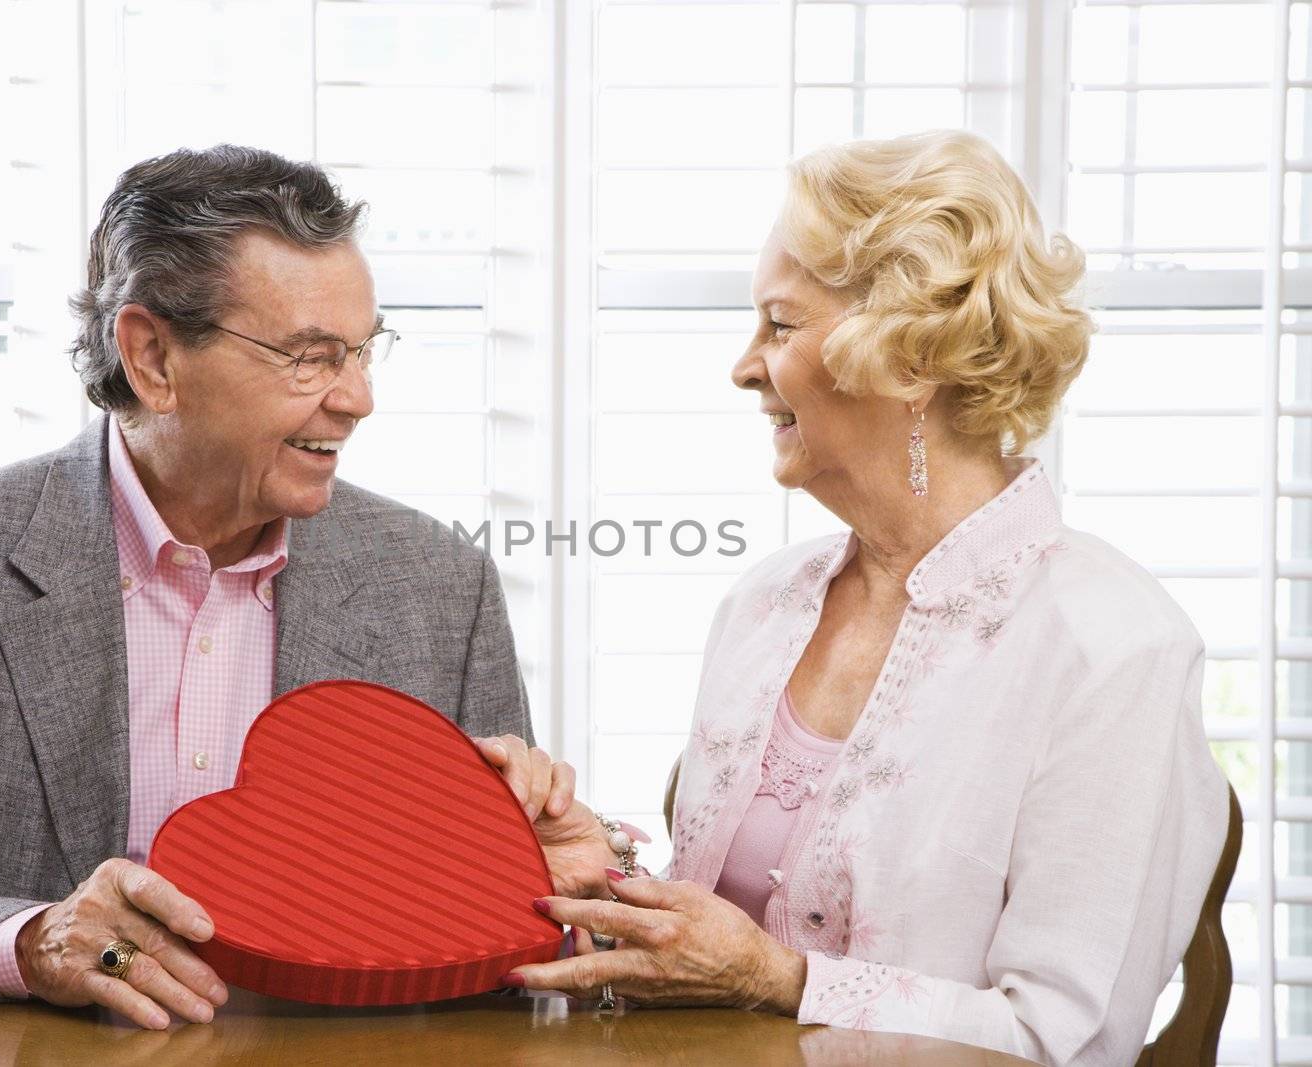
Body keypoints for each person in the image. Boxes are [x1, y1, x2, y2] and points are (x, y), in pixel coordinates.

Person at [0, 145, 532, 1030]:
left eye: (364, 351)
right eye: (310, 356)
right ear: (151, 357)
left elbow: (509, 964)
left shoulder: (441, 590)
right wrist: (28, 946)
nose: (358, 397)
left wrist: (558, 898)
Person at [479, 130, 1228, 1067]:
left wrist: (781, 980)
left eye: (780, 325)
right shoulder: (764, 605)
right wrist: (606, 870)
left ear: (910, 356)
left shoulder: (1116, 646)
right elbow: (717, 944)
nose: (744, 366)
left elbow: (1065, 1037)